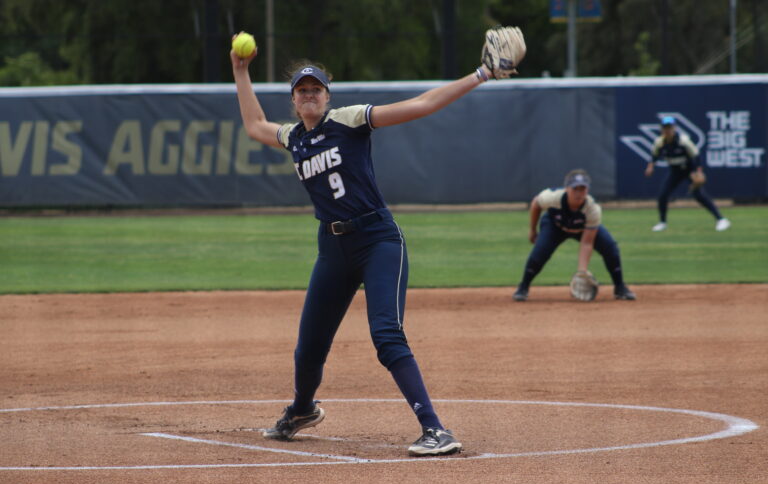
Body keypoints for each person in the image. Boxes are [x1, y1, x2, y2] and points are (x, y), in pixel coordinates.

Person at [229, 30, 523, 456]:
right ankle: (301, 409)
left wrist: (480, 74)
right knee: (309, 346)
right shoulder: (295, 138)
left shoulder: (347, 120)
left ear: (327, 97)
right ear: (293, 101)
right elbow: (255, 125)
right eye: (302, 90)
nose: (309, 95)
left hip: (377, 239)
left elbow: (421, 105)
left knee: (386, 334)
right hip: (332, 250)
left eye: (316, 89)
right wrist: (241, 71)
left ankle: (435, 429)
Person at [513, 170, 636, 302]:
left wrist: (581, 272)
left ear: (587, 190)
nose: (578, 193)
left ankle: (620, 287)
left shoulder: (592, 209)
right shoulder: (552, 197)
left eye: (582, 189)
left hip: (582, 229)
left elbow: (587, 243)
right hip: (555, 225)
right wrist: (532, 230)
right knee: (540, 251)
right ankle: (523, 287)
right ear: (566, 188)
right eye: (575, 189)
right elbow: (536, 204)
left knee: (610, 247)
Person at [644, 116, 730, 232]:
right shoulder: (659, 142)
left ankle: (721, 219)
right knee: (663, 195)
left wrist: (698, 172)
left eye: (669, 127)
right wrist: (650, 167)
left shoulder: (682, 141)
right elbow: (654, 155)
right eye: (665, 127)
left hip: (689, 170)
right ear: (661, 129)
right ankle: (662, 223)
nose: (667, 130)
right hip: (675, 171)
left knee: (698, 195)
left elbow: (696, 155)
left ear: (674, 128)